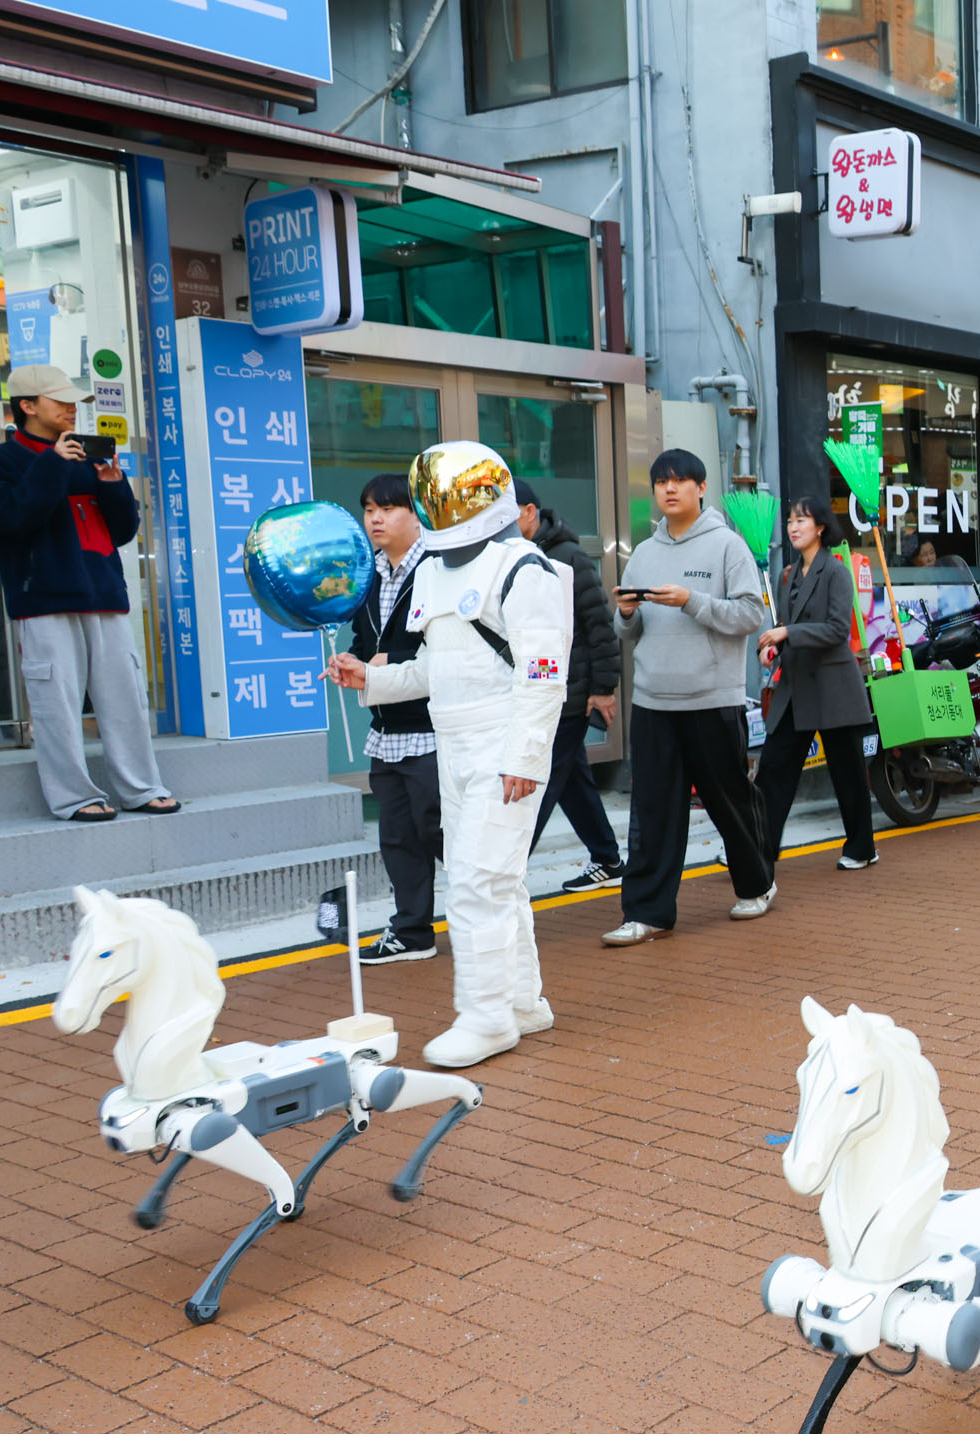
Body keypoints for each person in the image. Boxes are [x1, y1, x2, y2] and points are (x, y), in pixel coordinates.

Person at [323, 441, 570, 1068]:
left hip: (503, 742)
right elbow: (439, 666)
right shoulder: (433, 570)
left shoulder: (524, 568)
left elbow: (543, 675)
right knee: (495, 880)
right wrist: (372, 679)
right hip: (451, 743)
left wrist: (525, 756)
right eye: (434, 497)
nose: (443, 508)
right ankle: (522, 1003)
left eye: (454, 496)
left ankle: (487, 1017)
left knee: (477, 883)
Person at [0, 365, 179, 823]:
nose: (71, 409)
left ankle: (141, 788)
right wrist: (52, 463)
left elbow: (122, 532)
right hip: (44, 599)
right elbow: (14, 520)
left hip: (104, 594)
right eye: (59, 400)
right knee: (56, 704)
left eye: (73, 401)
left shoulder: (86, 459)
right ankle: (73, 797)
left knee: (126, 699)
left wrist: (112, 484)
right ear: (27, 406)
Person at [604, 449, 777, 944]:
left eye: (680, 481)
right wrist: (626, 613)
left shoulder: (727, 546)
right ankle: (647, 913)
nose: (670, 489)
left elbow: (750, 615)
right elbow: (627, 631)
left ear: (701, 488)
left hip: (712, 699)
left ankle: (757, 884)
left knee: (729, 800)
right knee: (653, 811)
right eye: (662, 482)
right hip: (653, 702)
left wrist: (691, 601)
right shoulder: (643, 552)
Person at [347, 474, 440, 966]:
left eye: (388, 508)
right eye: (369, 510)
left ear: (416, 514)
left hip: (433, 729)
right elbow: (366, 643)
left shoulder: (438, 568)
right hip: (386, 731)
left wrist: (384, 663)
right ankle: (412, 931)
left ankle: (490, 918)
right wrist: (353, 662)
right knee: (398, 838)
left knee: (443, 833)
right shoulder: (368, 574)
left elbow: (448, 647)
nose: (376, 519)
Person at [755, 498, 878, 869]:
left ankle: (862, 848)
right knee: (773, 769)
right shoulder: (787, 575)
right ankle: (756, 850)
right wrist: (773, 649)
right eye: (790, 521)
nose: (793, 527)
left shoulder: (836, 571)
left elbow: (837, 629)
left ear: (821, 527)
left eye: (802, 521)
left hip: (833, 687)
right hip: (796, 686)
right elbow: (787, 629)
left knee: (848, 772)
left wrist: (786, 633)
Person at [517, 484, 624, 891]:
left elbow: (599, 627)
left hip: (568, 694)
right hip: (538, 690)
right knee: (573, 780)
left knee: (538, 782)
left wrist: (603, 687)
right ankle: (608, 858)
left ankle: (507, 874)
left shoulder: (568, 557)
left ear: (530, 511)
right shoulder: (512, 557)